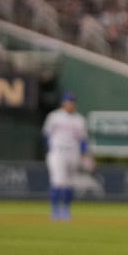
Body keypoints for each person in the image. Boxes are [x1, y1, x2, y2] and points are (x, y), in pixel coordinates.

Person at [42, 92, 90, 221]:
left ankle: (66, 210)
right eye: (68, 102)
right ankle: (55, 210)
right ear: (63, 103)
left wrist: (85, 156)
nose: (70, 104)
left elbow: (83, 140)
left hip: (73, 152)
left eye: (72, 102)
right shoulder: (54, 116)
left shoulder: (79, 119)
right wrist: (50, 150)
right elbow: (46, 134)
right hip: (57, 151)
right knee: (58, 181)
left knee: (70, 183)